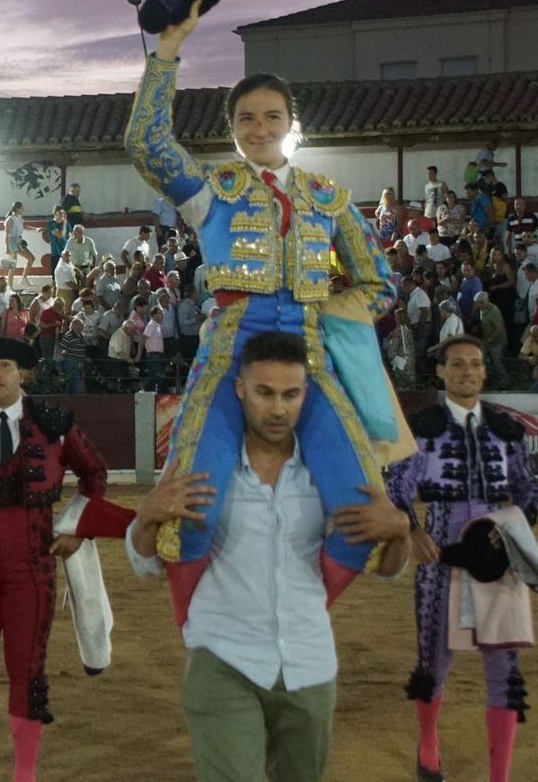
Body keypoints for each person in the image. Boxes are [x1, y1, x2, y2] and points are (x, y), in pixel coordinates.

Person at [124, 0, 409, 586]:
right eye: (246, 119)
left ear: (290, 125)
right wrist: (167, 55)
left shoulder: (327, 197)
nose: (259, 128)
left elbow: (380, 282)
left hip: (308, 352)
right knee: (190, 509)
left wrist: (324, 312)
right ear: (232, 131)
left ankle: (303, 620)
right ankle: (210, 623)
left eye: (271, 117)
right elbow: (147, 146)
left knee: (363, 510)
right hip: (229, 350)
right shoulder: (212, 193)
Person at [128, 331, 408, 781]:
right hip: (222, 658)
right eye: (265, 393)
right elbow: (146, 563)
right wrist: (144, 520)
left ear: (306, 393)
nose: (278, 408)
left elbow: (386, 569)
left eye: (291, 394)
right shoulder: (205, 464)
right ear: (240, 389)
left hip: (309, 664)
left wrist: (400, 537)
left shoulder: (328, 472)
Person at [0, 338, 125, 781]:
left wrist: (78, 526)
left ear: (22, 374)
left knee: (27, 672)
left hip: (33, 571)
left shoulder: (51, 423)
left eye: (6, 366)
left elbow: (94, 472)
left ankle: (24, 773)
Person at [385, 336, 538, 782]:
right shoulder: (424, 427)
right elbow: (395, 488)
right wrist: (412, 530)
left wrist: (514, 527)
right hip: (441, 554)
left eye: (475, 364)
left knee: (504, 666)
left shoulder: (505, 428)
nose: (467, 372)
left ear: (484, 372)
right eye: (457, 365)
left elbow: (530, 490)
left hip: (498, 555)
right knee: (433, 661)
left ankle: (500, 775)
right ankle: (429, 743)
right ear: (442, 372)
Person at [3, 201, 34, 289]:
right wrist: (7, 248)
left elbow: (24, 226)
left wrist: (35, 229)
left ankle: (24, 278)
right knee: (12, 264)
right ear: (17, 208)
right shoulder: (10, 219)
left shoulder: (20, 219)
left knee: (31, 258)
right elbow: (6, 234)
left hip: (19, 240)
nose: (24, 209)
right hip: (12, 240)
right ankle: (10, 286)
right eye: (22, 208)